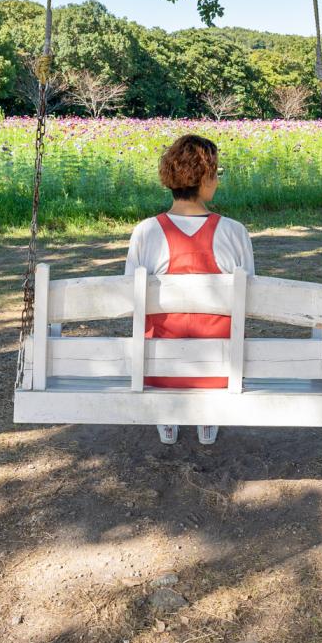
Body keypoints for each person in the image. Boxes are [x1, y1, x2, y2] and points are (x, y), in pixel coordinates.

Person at [124, 133, 255, 445]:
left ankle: (168, 414)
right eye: (217, 172)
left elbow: (129, 296)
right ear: (205, 177)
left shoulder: (146, 232)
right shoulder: (235, 232)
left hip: (159, 370)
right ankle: (207, 412)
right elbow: (251, 299)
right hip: (220, 370)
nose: (217, 179)